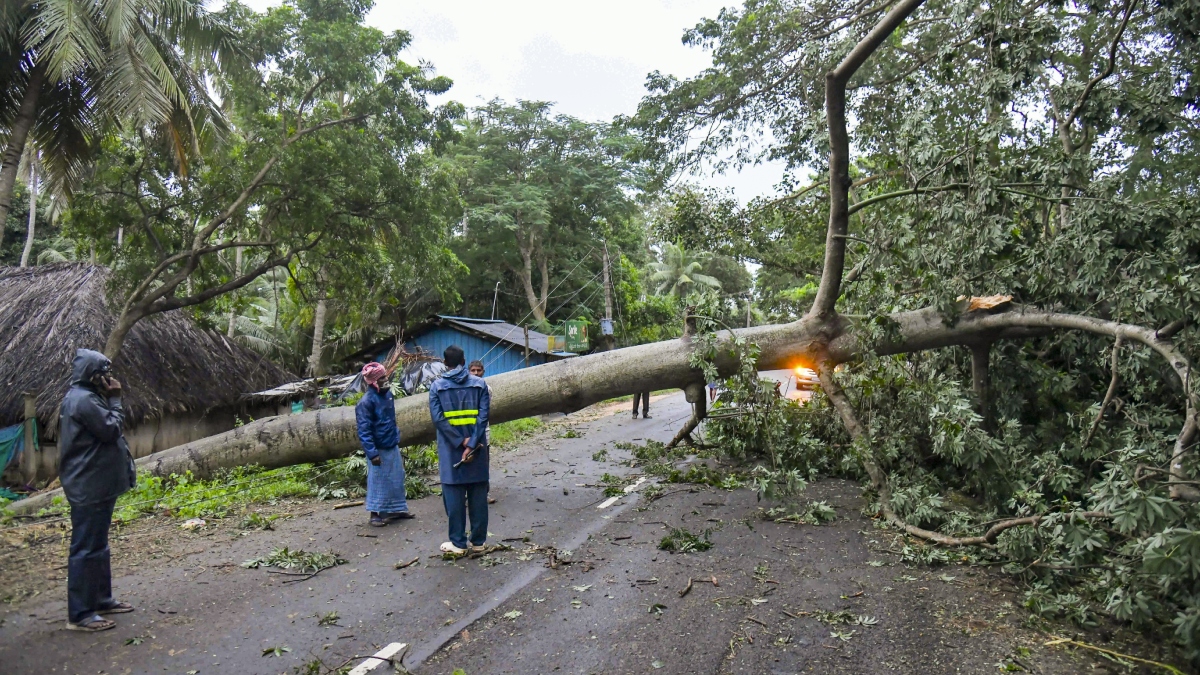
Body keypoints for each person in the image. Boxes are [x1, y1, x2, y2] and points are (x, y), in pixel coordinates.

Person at [58, 349, 137, 632]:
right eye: (105, 374)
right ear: (94, 376)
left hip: (97, 484)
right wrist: (116, 399)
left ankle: (102, 599)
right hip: (88, 485)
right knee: (86, 548)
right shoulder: (83, 400)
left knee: (98, 546)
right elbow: (111, 429)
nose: (110, 379)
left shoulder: (86, 398)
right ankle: (80, 614)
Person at [429, 345, 491, 554]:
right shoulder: (480, 385)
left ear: (445, 364)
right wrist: (472, 443)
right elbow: (483, 418)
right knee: (478, 496)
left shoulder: (437, 387)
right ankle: (479, 542)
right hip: (477, 450)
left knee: (454, 498)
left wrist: (459, 442)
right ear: (464, 361)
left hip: (450, 450)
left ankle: (458, 543)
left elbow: (438, 419)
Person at [356, 362, 412, 527]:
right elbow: (364, 430)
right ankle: (375, 514)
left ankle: (396, 510)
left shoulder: (388, 395)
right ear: (374, 381)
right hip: (378, 448)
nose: (386, 380)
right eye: (382, 378)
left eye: (386, 376)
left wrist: (396, 435)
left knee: (396, 478)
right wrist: (372, 453)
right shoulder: (366, 402)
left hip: (391, 443)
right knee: (377, 481)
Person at [467, 360, 496, 505]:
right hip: (466, 434)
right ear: (468, 371)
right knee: (466, 464)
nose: (476, 373)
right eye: (473, 370)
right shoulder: (464, 388)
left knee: (483, 464)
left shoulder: (487, 389)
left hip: (484, 433)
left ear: (483, 371)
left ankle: (484, 493)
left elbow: (484, 413)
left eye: (478, 370)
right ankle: (466, 495)